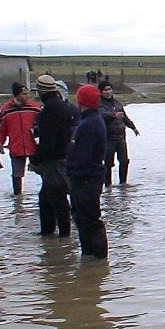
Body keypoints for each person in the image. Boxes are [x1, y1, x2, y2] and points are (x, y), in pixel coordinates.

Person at [66, 84, 108, 259]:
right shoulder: (90, 121)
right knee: (83, 220)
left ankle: (97, 260)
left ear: (80, 101)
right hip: (87, 178)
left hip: (86, 180)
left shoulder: (89, 124)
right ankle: (89, 258)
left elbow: (84, 155)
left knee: (90, 219)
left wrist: (75, 176)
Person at [30, 75, 73, 237]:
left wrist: (35, 160)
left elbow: (47, 142)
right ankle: (50, 237)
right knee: (47, 199)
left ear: (41, 91)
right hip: (63, 158)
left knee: (57, 200)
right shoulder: (63, 107)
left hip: (53, 162)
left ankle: (62, 239)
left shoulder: (48, 111)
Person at [0, 82, 41, 194]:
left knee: (42, 172)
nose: (27, 96)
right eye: (24, 94)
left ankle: (42, 197)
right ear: (17, 95)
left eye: (27, 93)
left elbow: (43, 126)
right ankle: (18, 199)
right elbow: (1, 130)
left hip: (34, 147)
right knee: (17, 175)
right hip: (16, 147)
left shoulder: (35, 108)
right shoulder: (6, 110)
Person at [99, 82, 139, 186]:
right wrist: (113, 115)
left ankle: (123, 184)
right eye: (105, 90)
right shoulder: (99, 104)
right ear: (101, 92)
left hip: (121, 137)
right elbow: (102, 115)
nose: (108, 92)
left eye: (109, 89)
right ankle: (107, 186)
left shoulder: (117, 103)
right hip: (108, 138)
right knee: (108, 164)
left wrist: (133, 127)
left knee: (124, 161)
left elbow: (124, 117)